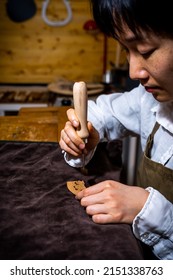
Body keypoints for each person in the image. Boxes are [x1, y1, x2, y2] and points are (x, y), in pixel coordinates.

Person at [59, 0, 173, 260]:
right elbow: (104, 111)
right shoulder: (148, 99)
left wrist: (147, 209)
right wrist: (85, 130)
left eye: (145, 50)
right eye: (126, 50)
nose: (134, 72)